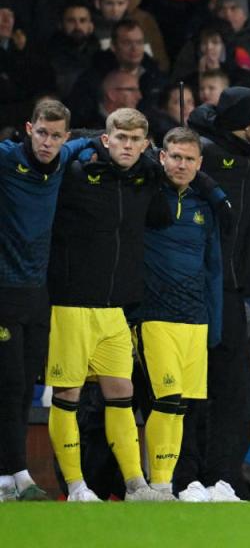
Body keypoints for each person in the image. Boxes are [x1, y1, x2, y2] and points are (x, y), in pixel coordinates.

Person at [45, 109, 177, 503]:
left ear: (145, 144)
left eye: (136, 140)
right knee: (67, 395)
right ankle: (75, 487)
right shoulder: (75, 175)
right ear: (106, 139)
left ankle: (136, 484)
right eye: (120, 138)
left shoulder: (141, 180)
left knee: (120, 394)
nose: (127, 146)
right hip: (71, 303)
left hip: (116, 308)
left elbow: (163, 219)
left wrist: (158, 174)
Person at [0, 101, 92, 501]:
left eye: (56, 135)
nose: (48, 142)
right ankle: (16, 473)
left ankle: (9, 476)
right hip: (3, 290)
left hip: (38, 294)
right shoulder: (6, 160)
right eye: (41, 133)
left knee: (24, 387)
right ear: (28, 129)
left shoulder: (64, 157)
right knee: (10, 382)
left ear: (65, 138)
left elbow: (99, 140)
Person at [185, 87, 250, 499]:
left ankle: (223, 478)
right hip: (192, 290)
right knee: (187, 390)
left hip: (235, 292)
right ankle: (184, 479)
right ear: (242, 119)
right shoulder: (203, 155)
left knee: (234, 392)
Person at [134, 126, 223, 500]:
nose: (182, 164)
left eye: (189, 159)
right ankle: (159, 481)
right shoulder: (145, 196)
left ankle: (166, 485)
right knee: (166, 399)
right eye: (176, 157)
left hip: (195, 319)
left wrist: (214, 323)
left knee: (183, 406)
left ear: (199, 164)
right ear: (162, 156)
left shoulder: (206, 208)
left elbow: (214, 267)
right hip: (155, 315)